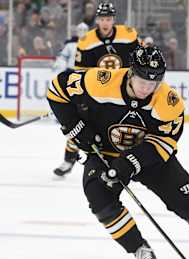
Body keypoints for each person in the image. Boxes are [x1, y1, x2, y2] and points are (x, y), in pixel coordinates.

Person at [47, 44, 189, 259]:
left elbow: (165, 142)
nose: (147, 88)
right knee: (98, 197)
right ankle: (140, 250)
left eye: (153, 83)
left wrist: (130, 162)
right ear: (131, 72)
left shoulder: (169, 102)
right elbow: (57, 89)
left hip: (149, 156)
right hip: (105, 152)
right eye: (142, 80)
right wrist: (73, 126)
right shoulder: (101, 81)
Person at [53, 1, 139, 177]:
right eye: (102, 19)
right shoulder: (86, 42)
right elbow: (81, 74)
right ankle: (69, 159)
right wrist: (81, 99)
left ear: (113, 19)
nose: (105, 23)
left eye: (108, 19)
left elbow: (139, 60)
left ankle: (130, 163)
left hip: (125, 91)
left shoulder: (128, 35)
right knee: (80, 124)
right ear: (97, 20)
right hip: (98, 93)